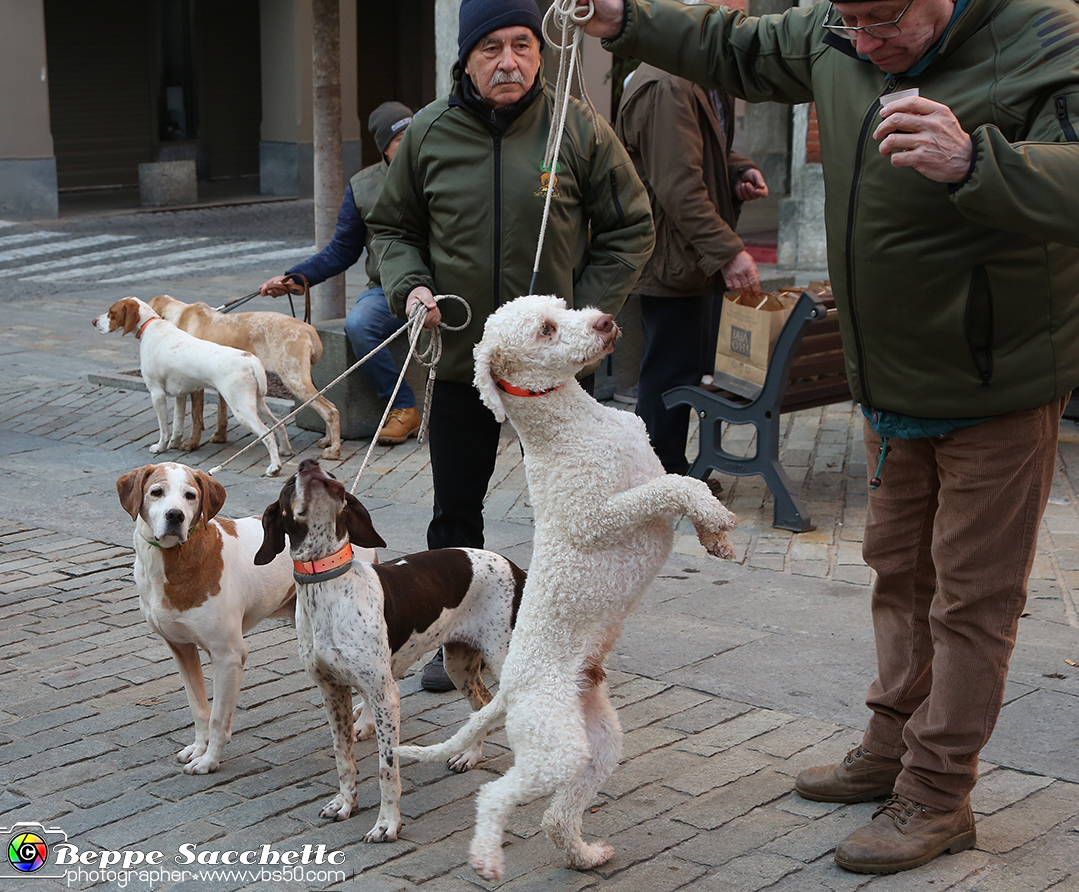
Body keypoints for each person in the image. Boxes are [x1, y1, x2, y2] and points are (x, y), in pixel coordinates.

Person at [581, 0, 1079, 875]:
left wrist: (977, 162)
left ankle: (937, 792)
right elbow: (729, 45)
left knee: (971, 600)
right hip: (890, 381)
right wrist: (625, 20)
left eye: (887, 21)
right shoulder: (838, 32)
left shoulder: (1046, 35)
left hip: (999, 382)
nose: (866, 42)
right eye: (851, 22)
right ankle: (888, 748)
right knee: (897, 573)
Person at [367, 0, 654, 692]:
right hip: (465, 358)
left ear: (541, 51)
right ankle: (453, 641)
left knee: (568, 512)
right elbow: (393, 228)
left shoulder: (575, 130)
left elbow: (632, 226)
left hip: (550, 377)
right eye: (491, 47)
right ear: (464, 58)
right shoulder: (430, 132)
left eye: (523, 45)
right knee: (456, 508)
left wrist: (581, 320)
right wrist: (410, 287)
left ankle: (562, 639)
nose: (509, 61)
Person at [615, 64, 768, 479]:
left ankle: (666, 471)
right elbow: (677, 183)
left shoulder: (697, 73)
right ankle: (655, 474)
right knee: (669, 371)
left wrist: (737, 171)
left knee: (681, 367)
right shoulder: (668, 83)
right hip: (673, 256)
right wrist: (728, 252)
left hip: (688, 255)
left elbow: (701, 152)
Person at [259, 101, 421, 446]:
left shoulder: (445, 171)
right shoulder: (363, 187)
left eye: (415, 134)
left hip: (450, 282)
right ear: (384, 147)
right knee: (360, 324)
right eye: (400, 138)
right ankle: (404, 407)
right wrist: (296, 278)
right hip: (390, 287)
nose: (410, 144)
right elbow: (342, 250)